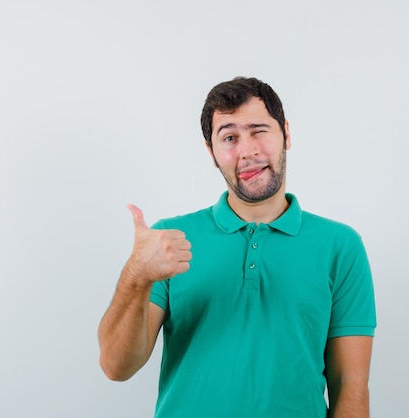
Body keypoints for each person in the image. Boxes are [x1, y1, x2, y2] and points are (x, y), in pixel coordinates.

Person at [98, 77, 376, 418]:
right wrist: (137, 274)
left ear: (286, 134)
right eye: (229, 137)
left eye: (259, 130)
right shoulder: (168, 240)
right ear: (212, 153)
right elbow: (116, 366)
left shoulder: (340, 246)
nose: (247, 151)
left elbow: (351, 385)